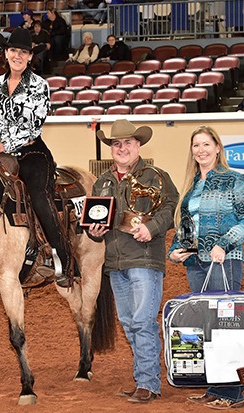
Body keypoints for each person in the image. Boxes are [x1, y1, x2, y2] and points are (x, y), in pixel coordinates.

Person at [168, 125, 244, 410]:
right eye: (196, 145)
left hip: (225, 262)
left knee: (227, 327)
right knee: (207, 325)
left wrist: (224, 243)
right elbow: (184, 226)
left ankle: (233, 392)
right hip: (196, 263)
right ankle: (216, 384)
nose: (201, 150)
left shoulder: (235, 180)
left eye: (207, 144)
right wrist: (174, 251)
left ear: (218, 148)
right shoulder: (191, 185)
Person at [88, 119, 179, 404]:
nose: (122, 148)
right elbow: (96, 220)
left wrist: (151, 229)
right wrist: (94, 230)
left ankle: (148, 383)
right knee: (129, 323)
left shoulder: (156, 176)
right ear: (111, 149)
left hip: (144, 259)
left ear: (138, 145)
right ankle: (144, 379)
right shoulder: (102, 183)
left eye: (128, 143)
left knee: (142, 321)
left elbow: (170, 207)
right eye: (117, 144)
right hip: (115, 263)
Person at [0, 28, 71, 287]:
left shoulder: (39, 86)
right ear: (6, 53)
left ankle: (62, 258)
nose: (17, 55)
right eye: (13, 50)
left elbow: (33, 126)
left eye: (23, 51)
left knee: (41, 197)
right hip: (0, 153)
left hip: (32, 152)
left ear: (30, 56)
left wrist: (3, 145)